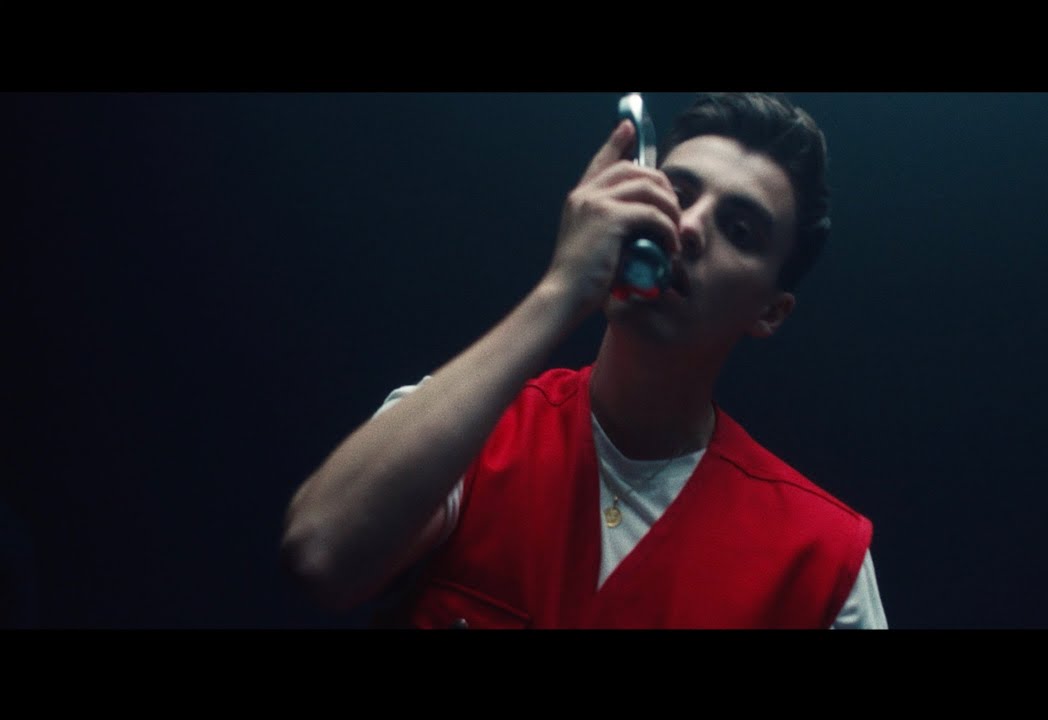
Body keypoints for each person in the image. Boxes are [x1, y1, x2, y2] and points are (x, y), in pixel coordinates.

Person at [281, 93, 887, 628]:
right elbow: (320, 555)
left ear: (770, 312)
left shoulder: (825, 560)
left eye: (740, 229)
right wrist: (562, 288)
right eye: (677, 194)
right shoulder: (467, 430)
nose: (688, 226)